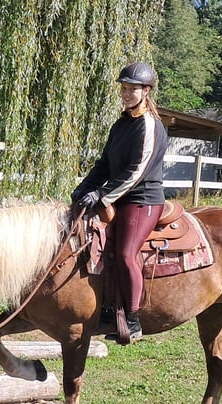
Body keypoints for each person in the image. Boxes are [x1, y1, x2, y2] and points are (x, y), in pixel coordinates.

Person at [71, 62, 168, 342]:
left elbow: (136, 171)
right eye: (124, 88)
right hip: (120, 197)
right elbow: (105, 164)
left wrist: (102, 195)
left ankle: (134, 319)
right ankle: (107, 309)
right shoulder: (121, 123)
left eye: (132, 89)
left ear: (146, 91)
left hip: (142, 199)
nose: (126, 93)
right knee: (97, 245)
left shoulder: (149, 124)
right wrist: (84, 188)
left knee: (125, 253)